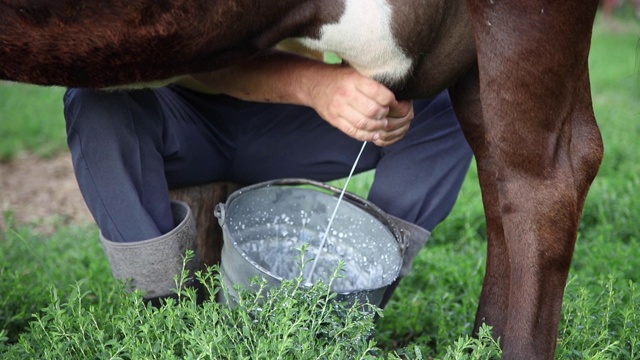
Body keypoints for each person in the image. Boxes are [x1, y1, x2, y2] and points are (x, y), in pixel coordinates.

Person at [63, 46, 472, 307]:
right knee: (95, 100)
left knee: (445, 108)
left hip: (287, 125)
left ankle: (351, 308)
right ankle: (165, 318)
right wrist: (315, 86)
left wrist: (383, 88)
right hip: (177, 114)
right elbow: (173, 44)